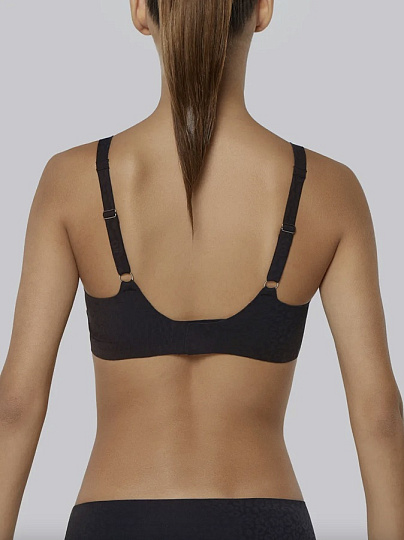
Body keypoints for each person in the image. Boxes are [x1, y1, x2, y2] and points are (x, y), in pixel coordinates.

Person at [1, 0, 403, 539]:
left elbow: (16, 405)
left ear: (141, 11)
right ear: (262, 10)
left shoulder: (73, 182)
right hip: (264, 522)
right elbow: (379, 415)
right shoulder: (328, 191)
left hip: (116, 520)